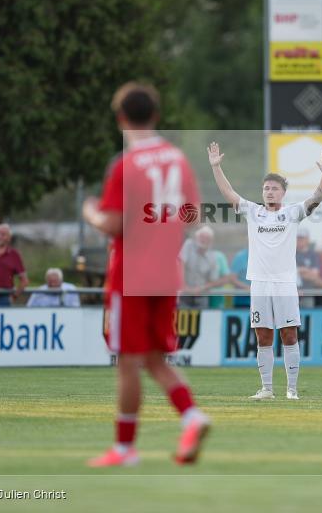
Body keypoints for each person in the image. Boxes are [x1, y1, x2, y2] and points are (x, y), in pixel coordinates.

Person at [82, 81, 209, 467]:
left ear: (121, 118)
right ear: (155, 115)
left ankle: (125, 449)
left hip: (131, 272)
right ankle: (192, 416)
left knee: (128, 361)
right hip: (166, 271)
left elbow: (114, 224)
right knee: (155, 360)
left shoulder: (126, 164)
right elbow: (193, 215)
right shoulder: (177, 159)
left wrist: (89, 211)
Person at [208, 140, 322, 401]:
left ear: (283, 192)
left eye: (274, 188)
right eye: (266, 188)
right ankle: (266, 389)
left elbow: (317, 198)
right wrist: (216, 167)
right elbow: (228, 192)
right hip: (260, 283)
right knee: (263, 335)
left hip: (285, 283)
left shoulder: (292, 213)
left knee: (289, 334)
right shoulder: (253, 212)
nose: (269, 192)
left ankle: (292, 390)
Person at [179, 225, 227, 308]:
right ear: (196, 238)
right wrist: (184, 286)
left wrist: (201, 288)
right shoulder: (188, 245)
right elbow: (181, 263)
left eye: (207, 238)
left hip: (201, 296)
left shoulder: (213, 257)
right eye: (202, 237)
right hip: (184, 294)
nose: (204, 240)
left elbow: (213, 280)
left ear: (211, 241)